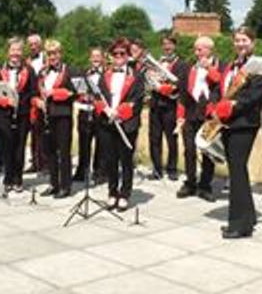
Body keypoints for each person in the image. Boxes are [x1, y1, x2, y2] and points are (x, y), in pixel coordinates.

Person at [214, 27, 262, 239]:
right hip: (228, 123)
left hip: (245, 123)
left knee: (237, 169)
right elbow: (221, 90)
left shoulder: (260, 65)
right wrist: (215, 106)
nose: (240, 44)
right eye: (237, 40)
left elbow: (255, 95)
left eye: (244, 40)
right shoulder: (230, 66)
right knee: (237, 170)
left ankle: (239, 225)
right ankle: (247, 216)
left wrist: (232, 107)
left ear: (253, 42)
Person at [95, 37, 144, 212]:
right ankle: (112, 191)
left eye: (122, 53)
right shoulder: (104, 75)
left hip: (126, 124)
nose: (118, 56)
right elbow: (97, 96)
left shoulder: (136, 76)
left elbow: (137, 101)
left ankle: (125, 193)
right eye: (115, 53)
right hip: (107, 123)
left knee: (126, 160)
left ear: (128, 56)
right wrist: (105, 110)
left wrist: (120, 112)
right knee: (110, 160)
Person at [176, 36, 223, 202]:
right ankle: (190, 182)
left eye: (200, 49)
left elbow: (220, 82)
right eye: (195, 49)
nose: (197, 52)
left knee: (208, 152)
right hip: (190, 114)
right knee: (189, 150)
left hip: (209, 115)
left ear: (210, 49)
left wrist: (209, 67)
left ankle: (205, 185)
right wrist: (180, 117)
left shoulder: (220, 65)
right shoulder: (188, 67)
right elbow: (182, 94)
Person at [0, 37, 37, 194]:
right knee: (6, 146)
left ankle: (18, 178)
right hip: (3, 114)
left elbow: (33, 92)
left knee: (20, 146)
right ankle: (7, 178)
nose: (15, 53)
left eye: (18, 50)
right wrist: (4, 101)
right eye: (13, 50)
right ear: (8, 52)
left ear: (22, 52)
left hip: (23, 114)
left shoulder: (29, 70)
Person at [34, 39, 77, 198]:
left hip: (63, 116)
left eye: (55, 53)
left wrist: (56, 94)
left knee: (64, 152)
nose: (52, 57)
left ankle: (66, 186)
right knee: (49, 151)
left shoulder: (70, 71)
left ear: (60, 53)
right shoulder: (42, 72)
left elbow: (76, 94)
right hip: (46, 116)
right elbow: (36, 92)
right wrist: (37, 100)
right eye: (50, 53)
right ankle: (53, 183)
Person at [148, 34, 188, 180]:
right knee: (154, 138)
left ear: (174, 46)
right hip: (155, 104)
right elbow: (149, 81)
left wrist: (164, 87)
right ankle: (157, 169)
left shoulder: (181, 64)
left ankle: (172, 169)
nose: (167, 47)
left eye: (170, 44)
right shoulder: (156, 62)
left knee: (171, 139)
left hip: (170, 105)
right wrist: (152, 79)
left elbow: (180, 85)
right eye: (164, 44)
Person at [73, 47, 106, 184]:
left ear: (103, 58)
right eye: (93, 56)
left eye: (98, 56)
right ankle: (82, 171)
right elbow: (77, 92)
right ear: (90, 59)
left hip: (101, 113)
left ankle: (99, 172)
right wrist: (82, 96)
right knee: (84, 143)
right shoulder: (83, 73)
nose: (96, 59)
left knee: (101, 144)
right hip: (85, 111)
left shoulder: (108, 74)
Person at [26, 33, 48, 173]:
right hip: (30, 99)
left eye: (35, 44)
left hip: (43, 99)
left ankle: (45, 163)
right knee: (33, 132)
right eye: (31, 44)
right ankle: (35, 162)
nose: (33, 47)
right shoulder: (26, 60)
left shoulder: (46, 58)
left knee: (44, 132)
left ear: (40, 44)